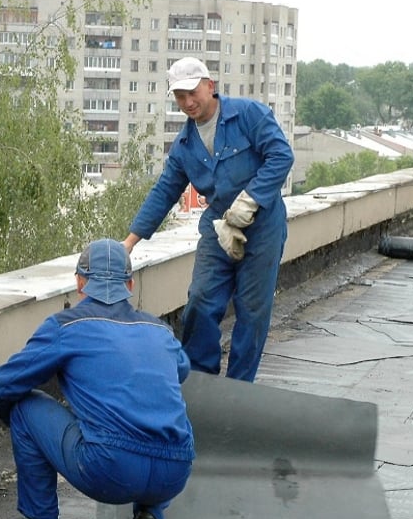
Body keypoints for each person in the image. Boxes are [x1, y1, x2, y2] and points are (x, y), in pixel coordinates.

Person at [0, 238, 195, 519]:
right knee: (163, 408)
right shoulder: (159, 329)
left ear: (80, 282)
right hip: (175, 471)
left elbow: (4, 384)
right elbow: (181, 370)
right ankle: (150, 518)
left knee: (24, 407)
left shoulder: (66, 326)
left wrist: (9, 419)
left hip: (110, 471)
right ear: (129, 284)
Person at [124, 57, 295, 383]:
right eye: (179, 96)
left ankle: (238, 390)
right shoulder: (185, 145)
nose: (187, 102)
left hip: (263, 224)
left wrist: (251, 199)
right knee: (201, 300)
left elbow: (281, 155)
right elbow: (165, 191)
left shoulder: (248, 115)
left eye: (192, 93)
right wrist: (129, 243)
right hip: (219, 227)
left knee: (252, 310)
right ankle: (200, 383)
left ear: (209, 86)